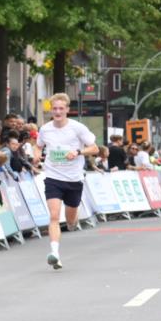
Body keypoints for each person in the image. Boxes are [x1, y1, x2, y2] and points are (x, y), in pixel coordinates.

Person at [33, 93, 97, 270]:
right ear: (51, 110)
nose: (58, 111)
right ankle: (54, 253)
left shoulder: (78, 128)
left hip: (74, 179)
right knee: (54, 216)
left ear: (68, 110)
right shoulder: (45, 129)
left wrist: (77, 152)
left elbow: (95, 148)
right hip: (53, 177)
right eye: (55, 108)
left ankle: (72, 221)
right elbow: (38, 145)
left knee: (70, 221)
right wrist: (37, 154)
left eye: (61, 108)